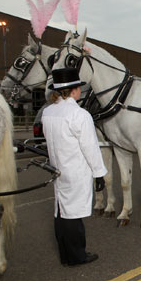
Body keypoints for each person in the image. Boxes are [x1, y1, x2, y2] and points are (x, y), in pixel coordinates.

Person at [42, 68, 107, 266]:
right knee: (74, 216)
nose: (80, 91)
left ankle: (65, 254)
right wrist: (99, 174)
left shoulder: (48, 112)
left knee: (61, 212)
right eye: (79, 88)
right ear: (73, 90)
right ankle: (77, 256)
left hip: (58, 169)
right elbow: (90, 148)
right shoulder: (79, 114)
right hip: (76, 170)